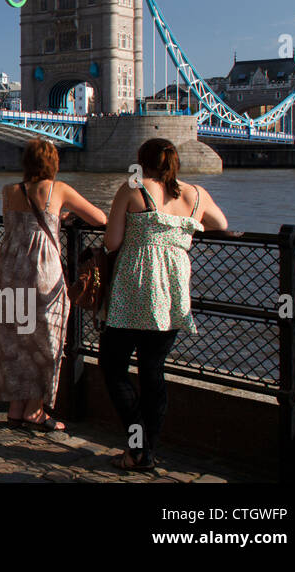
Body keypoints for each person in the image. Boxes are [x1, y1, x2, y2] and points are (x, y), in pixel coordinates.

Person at [100, 138, 227, 471]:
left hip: (133, 291)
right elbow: (220, 224)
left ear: (141, 161)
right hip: (172, 294)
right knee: (154, 373)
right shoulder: (196, 194)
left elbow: (111, 243)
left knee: (113, 369)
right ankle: (148, 452)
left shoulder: (133, 189)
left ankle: (137, 445)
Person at [0, 138, 107, 431]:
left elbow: (15, 227)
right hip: (42, 273)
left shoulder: (9, 191)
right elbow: (100, 218)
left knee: (14, 340)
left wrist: (51, 218)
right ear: (53, 163)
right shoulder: (59, 189)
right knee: (46, 341)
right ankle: (35, 411)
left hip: (9, 272)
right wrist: (61, 217)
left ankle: (15, 408)